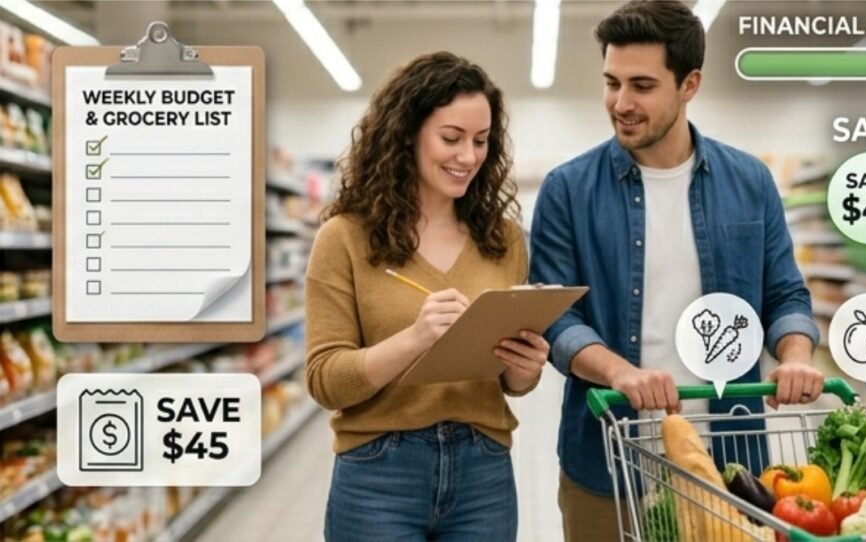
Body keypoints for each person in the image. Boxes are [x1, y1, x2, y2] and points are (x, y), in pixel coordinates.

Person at [528, 2, 825, 540]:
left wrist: (796, 356)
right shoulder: (567, 190)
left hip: (731, 464)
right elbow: (557, 319)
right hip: (608, 462)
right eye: (612, 83)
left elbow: (784, 294)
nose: (621, 103)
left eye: (642, 85)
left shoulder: (750, 181)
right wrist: (621, 372)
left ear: (689, 84)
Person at [305, 51, 548, 542]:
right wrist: (414, 339)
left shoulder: (503, 240)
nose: (468, 157)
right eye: (451, 138)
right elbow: (324, 379)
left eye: (481, 141)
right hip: (379, 474)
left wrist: (524, 371)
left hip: (484, 472)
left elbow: (506, 381)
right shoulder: (345, 238)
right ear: (407, 134)